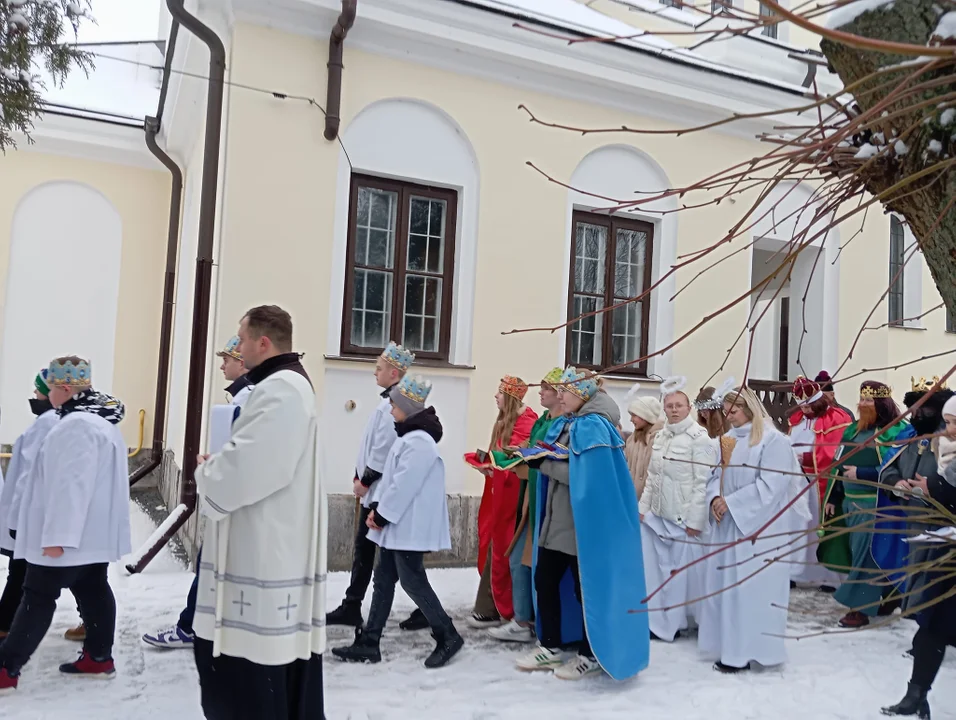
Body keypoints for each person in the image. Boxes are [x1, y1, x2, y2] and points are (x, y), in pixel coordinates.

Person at [192, 306, 327, 720]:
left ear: (263, 342)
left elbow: (252, 468)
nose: (238, 347)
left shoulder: (282, 389)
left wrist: (207, 472)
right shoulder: (281, 386)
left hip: (265, 549)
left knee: (252, 681)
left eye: (242, 339)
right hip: (271, 540)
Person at [0, 357, 130, 694]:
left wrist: (58, 536)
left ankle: (5, 667)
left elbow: (70, 485)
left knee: (37, 597)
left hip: (69, 536)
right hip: (90, 535)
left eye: (52, 389)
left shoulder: (77, 426)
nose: (45, 396)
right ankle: (98, 657)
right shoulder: (98, 421)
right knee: (93, 588)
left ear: (66, 388)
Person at [516, 367, 649, 681]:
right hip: (556, 523)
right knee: (545, 582)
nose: (560, 396)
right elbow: (562, 460)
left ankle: (590, 654)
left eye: (566, 391)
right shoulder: (567, 422)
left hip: (585, 530)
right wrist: (533, 456)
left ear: (583, 393)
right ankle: (550, 646)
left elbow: (588, 479)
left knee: (586, 590)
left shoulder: (597, 427)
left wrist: (543, 465)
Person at [332, 375, 464, 668]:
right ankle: (369, 641)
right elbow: (395, 481)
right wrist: (379, 507)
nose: (391, 410)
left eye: (394, 405)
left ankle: (448, 635)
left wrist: (380, 513)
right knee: (383, 579)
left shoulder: (419, 442)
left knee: (412, 581)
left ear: (407, 407)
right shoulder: (409, 437)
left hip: (408, 526)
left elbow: (405, 485)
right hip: (399, 524)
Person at [143, 336, 253, 650]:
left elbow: (240, 453)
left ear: (241, 362)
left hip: (233, 500)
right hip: (234, 497)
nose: (222, 365)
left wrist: (216, 463)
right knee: (217, 565)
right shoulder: (243, 398)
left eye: (227, 360)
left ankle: (190, 626)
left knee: (210, 564)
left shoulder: (247, 400)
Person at [697, 386, 801, 674]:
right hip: (729, 526)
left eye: (736, 409)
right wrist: (714, 499)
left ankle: (753, 650)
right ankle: (729, 648)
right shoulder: (726, 440)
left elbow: (772, 486)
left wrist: (732, 502)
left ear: (750, 408)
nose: (730, 416)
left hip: (759, 531)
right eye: (727, 410)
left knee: (751, 591)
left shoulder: (772, 441)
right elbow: (713, 476)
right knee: (726, 590)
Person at [326, 342, 426, 632]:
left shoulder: (393, 407)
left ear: (394, 372)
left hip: (380, 493)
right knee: (373, 554)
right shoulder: (389, 404)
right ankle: (353, 604)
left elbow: (383, 450)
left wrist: (365, 480)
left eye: (379, 368)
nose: (375, 373)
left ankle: (423, 611)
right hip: (376, 492)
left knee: (391, 560)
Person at [880, 417, 956, 719]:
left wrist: (932, 487)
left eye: (955, 422)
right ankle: (916, 696)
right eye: (948, 422)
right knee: (931, 629)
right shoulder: (945, 450)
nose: (949, 429)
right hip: (947, 551)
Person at [820, 380, 909, 628]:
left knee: (866, 557)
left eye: (868, 400)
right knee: (862, 554)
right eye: (861, 399)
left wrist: (862, 473)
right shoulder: (852, 431)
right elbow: (838, 463)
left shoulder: (895, 431)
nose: (862, 404)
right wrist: (835, 497)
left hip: (876, 505)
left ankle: (858, 608)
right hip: (850, 504)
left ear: (881, 403)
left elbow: (895, 469)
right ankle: (889, 597)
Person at [640, 378, 717, 642]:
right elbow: (653, 477)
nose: (674, 410)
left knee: (680, 578)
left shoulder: (701, 439)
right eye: (669, 406)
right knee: (659, 572)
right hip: (660, 517)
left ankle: (674, 623)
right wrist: (643, 508)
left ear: (688, 408)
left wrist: (695, 520)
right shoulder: (661, 437)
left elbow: (702, 483)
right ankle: (658, 619)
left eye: (679, 406)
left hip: (684, 521)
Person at [490, 368, 563, 644]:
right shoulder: (545, 418)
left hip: (546, 500)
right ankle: (523, 618)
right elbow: (532, 447)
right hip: (531, 496)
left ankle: (532, 622)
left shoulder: (558, 421)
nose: (540, 392)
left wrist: (524, 456)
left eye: (546, 388)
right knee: (519, 559)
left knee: (534, 565)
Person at [871, 378, 954, 617]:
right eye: (914, 409)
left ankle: (928, 634)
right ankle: (919, 623)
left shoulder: (949, 439)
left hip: (942, 519)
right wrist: (895, 483)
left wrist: (934, 488)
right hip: (910, 517)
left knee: (934, 578)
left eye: (923, 408)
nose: (917, 414)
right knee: (914, 571)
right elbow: (887, 467)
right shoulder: (910, 434)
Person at [466, 377, 538, 628]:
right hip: (498, 492)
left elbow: (516, 459)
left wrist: (494, 465)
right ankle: (491, 605)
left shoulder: (527, 422)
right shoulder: (504, 422)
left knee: (504, 546)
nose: (495, 397)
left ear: (510, 398)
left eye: (499, 394)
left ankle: (502, 608)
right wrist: (488, 466)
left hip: (513, 497)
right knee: (491, 543)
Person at [0, 371, 60, 639]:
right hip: (37, 515)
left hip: (32, 516)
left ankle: (5, 626)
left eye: (37, 391)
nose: (33, 396)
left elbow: (27, 477)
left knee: (23, 572)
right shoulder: (53, 421)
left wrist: (15, 522)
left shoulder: (46, 425)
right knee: (85, 578)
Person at [787, 376, 850, 590]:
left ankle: (828, 577)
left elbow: (834, 453)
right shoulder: (796, 419)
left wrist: (804, 458)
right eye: (801, 404)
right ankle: (796, 572)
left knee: (821, 526)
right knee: (799, 527)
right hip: (797, 483)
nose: (804, 409)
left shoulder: (837, 418)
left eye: (808, 404)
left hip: (821, 483)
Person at [624, 384, 663, 500]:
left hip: (648, 503)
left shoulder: (658, 439)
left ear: (646, 416)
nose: (631, 420)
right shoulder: (632, 439)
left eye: (634, 415)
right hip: (630, 498)